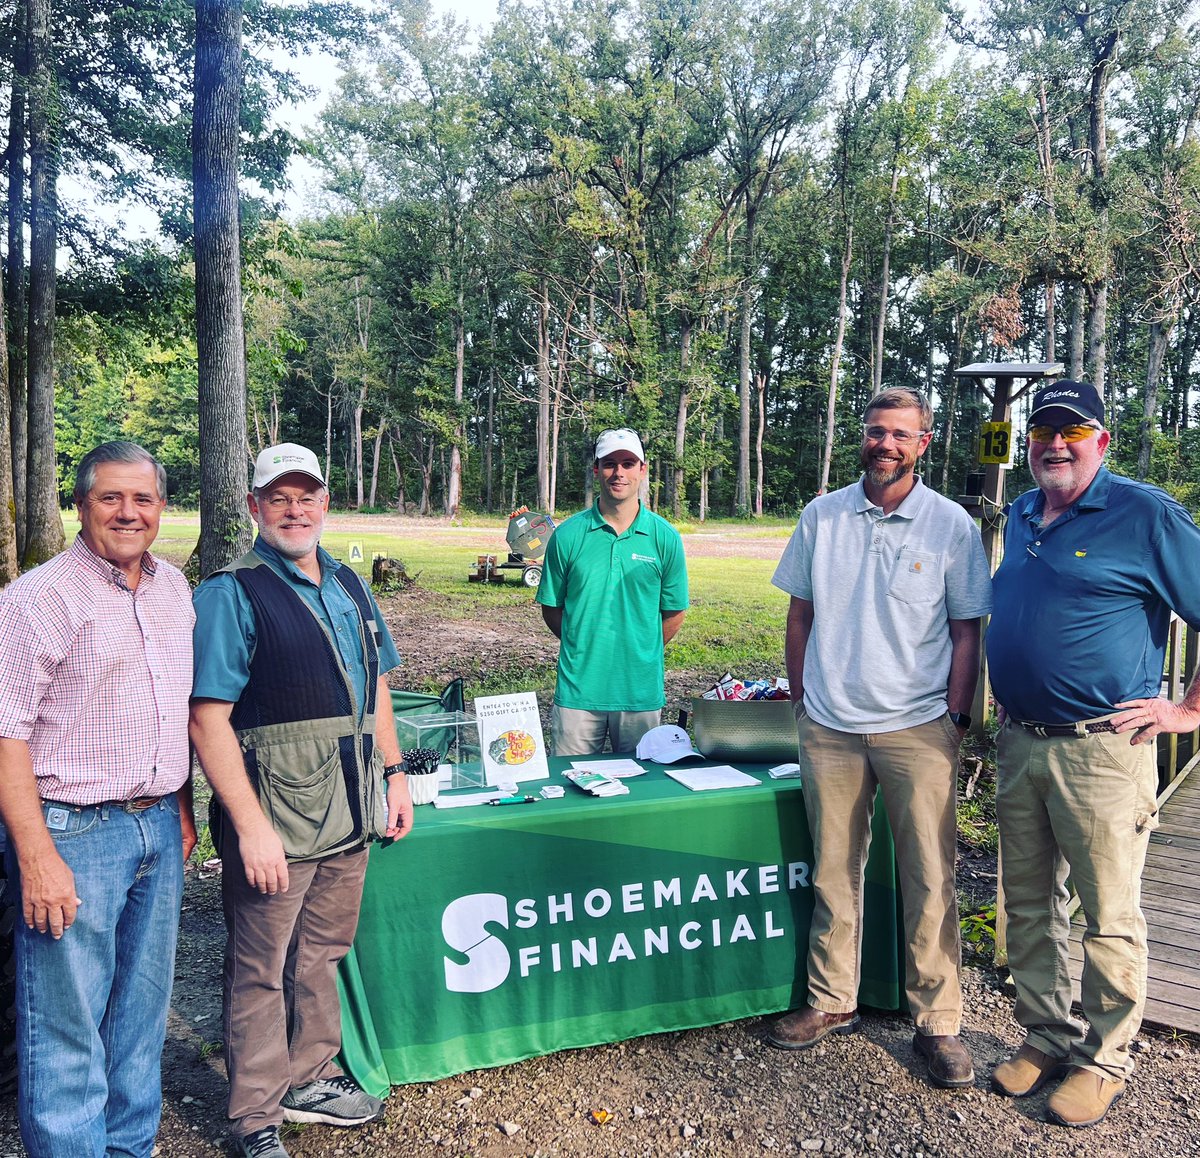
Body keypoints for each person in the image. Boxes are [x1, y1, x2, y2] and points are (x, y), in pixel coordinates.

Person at [189, 442, 414, 1158]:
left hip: (350, 810)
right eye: (278, 497)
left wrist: (395, 775)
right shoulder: (230, 593)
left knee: (322, 953)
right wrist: (248, 826)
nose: (295, 509)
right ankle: (254, 1117)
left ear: (325, 503)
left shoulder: (350, 583)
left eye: (306, 496)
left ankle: (311, 1076)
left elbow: (376, 684)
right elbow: (206, 718)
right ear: (255, 507)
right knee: (260, 968)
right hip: (276, 820)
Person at [986, 380, 1200, 1127]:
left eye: (1071, 432)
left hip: (1103, 751)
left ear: (1101, 442)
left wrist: (1186, 709)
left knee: (1109, 914)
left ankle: (1105, 1057)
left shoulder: (1145, 513)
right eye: (1043, 431)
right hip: (1021, 744)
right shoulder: (1021, 511)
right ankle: (1045, 1035)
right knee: (1028, 904)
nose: (1054, 444)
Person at [767, 387, 992, 1088]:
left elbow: (966, 632)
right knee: (834, 870)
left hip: (917, 726)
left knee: (930, 875)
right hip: (830, 726)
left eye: (900, 433)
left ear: (924, 443)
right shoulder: (823, 516)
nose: (884, 443)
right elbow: (799, 615)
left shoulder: (950, 525)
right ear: (861, 438)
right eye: (874, 431)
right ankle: (832, 1000)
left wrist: (955, 718)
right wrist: (804, 700)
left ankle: (939, 1022)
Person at [0, 441, 195, 1157]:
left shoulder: (175, 591)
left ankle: (127, 1149)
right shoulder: (35, 600)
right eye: (110, 497)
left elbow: (170, 710)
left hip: (157, 830)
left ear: (162, 508)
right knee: (65, 1025)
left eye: (142, 499)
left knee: (139, 1019)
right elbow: (4, 735)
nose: (127, 512)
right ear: (79, 505)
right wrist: (36, 857)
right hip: (72, 836)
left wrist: (181, 807)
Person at [536, 427, 689, 756]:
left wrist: (640, 648)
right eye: (609, 464)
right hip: (579, 692)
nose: (618, 472)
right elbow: (552, 607)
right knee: (570, 789)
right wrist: (585, 641)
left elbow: (674, 612)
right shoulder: (567, 535)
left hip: (639, 692)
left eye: (628, 463)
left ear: (642, 470)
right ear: (596, 469)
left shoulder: (665, 538)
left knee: (639, 796)